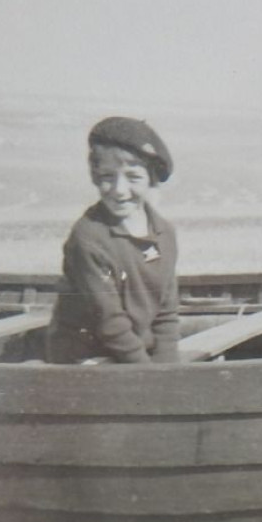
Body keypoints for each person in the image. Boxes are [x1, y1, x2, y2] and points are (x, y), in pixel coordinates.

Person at [46, 116, 181, 364]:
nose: (119, 190)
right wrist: (148, 374)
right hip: (85, 356)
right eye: (108, 176)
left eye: (133, 177)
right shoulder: (88, 238)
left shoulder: (165, 234)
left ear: (151, 179)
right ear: (95, 177)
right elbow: (110, 323)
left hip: (134, 354)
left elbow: (166, 314)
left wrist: (168, 370)